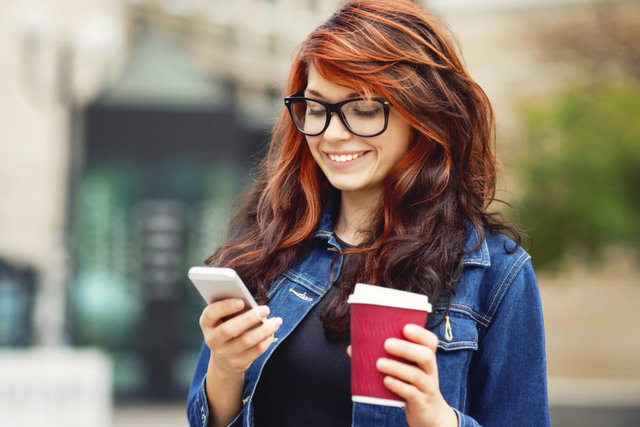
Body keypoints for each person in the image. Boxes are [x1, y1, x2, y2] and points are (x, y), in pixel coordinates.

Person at [187, 0, 550, 426]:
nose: (332, 134)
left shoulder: (494, 273)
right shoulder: (268, 244)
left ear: (423, 113)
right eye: (317, 107)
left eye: (363, 109)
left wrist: (436, 417)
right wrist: (225, 370)